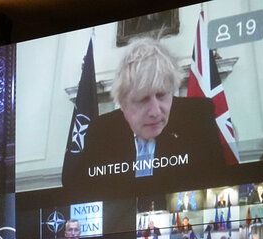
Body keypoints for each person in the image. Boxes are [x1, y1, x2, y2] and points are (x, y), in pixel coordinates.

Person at [61, 38, 228, 196]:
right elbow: (81, 191)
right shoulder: (101, 131)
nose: (155, 112)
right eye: (143, 100)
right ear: (123, 104)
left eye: (161, 95)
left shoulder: (197, 118)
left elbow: (218, 184)